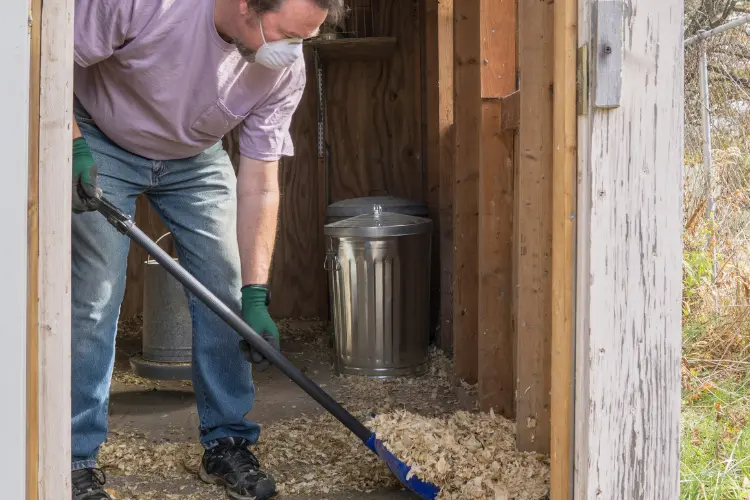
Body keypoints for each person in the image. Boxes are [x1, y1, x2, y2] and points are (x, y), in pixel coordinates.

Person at [70, 0, 344, 498]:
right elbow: (48, 60)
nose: (292, 52)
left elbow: (261, 182)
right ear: (247, 5)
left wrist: (255, 295)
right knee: (96, 295)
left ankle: (227, 443)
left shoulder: (284, 69)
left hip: (194, 158)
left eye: (305, 38)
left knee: (225, 293)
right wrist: (70, 145)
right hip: (100, 138)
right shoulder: (151, 5)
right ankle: (74, 457)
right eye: (286, 34)